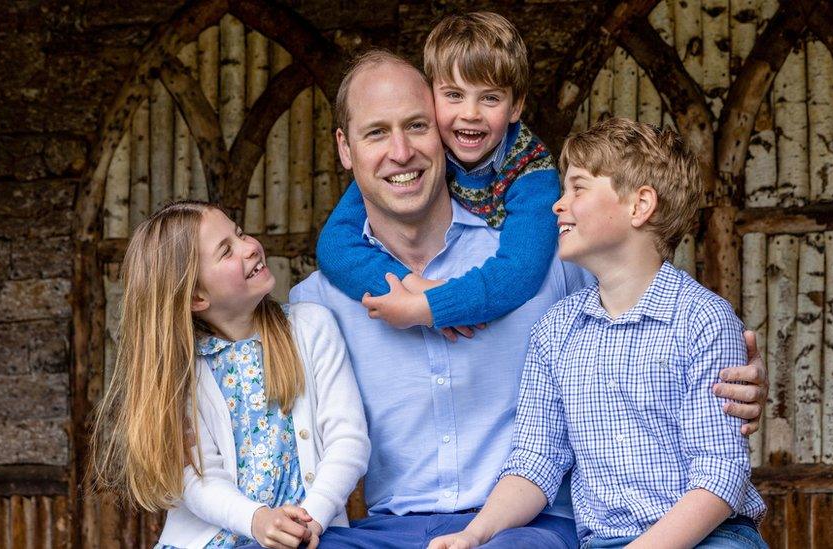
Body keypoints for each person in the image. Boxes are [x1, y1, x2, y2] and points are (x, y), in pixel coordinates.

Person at [290, 52, 768, 549]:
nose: (401, 151)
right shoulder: (317, 305)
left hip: (531, 526)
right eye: (375, 134)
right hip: (389, 530)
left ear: (445, 134)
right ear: (345, 148)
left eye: (416, 126)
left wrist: (731, 383)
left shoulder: (546, 261)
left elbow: (646, 317)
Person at [428, 119, 767, 549]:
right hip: (607, 539)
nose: (558, 204)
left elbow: (721, 473)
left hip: (712, 537)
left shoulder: (703, 321)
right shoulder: (555, 330)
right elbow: (537, 461)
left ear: (639, 205)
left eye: (578, 188)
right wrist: (475, 533)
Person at [90, 201, 370, 549]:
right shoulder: (181, 373)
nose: (251, 246)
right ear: (196, 297)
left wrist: (310, 519)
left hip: (309, 535)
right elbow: (196, 478)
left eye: (240, 234)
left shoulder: (311, 327)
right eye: (227, 251)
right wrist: (257, 520)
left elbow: (348, 439)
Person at [316, 12, 559, 334]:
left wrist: (432, 307)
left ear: (515, 107)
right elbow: (334, 245)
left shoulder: (533, 172)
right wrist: (411, 285)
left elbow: (521, 272)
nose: (470, 114)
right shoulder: (425, 150)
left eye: (489, 98)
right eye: (454, 95)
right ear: (431, 97)